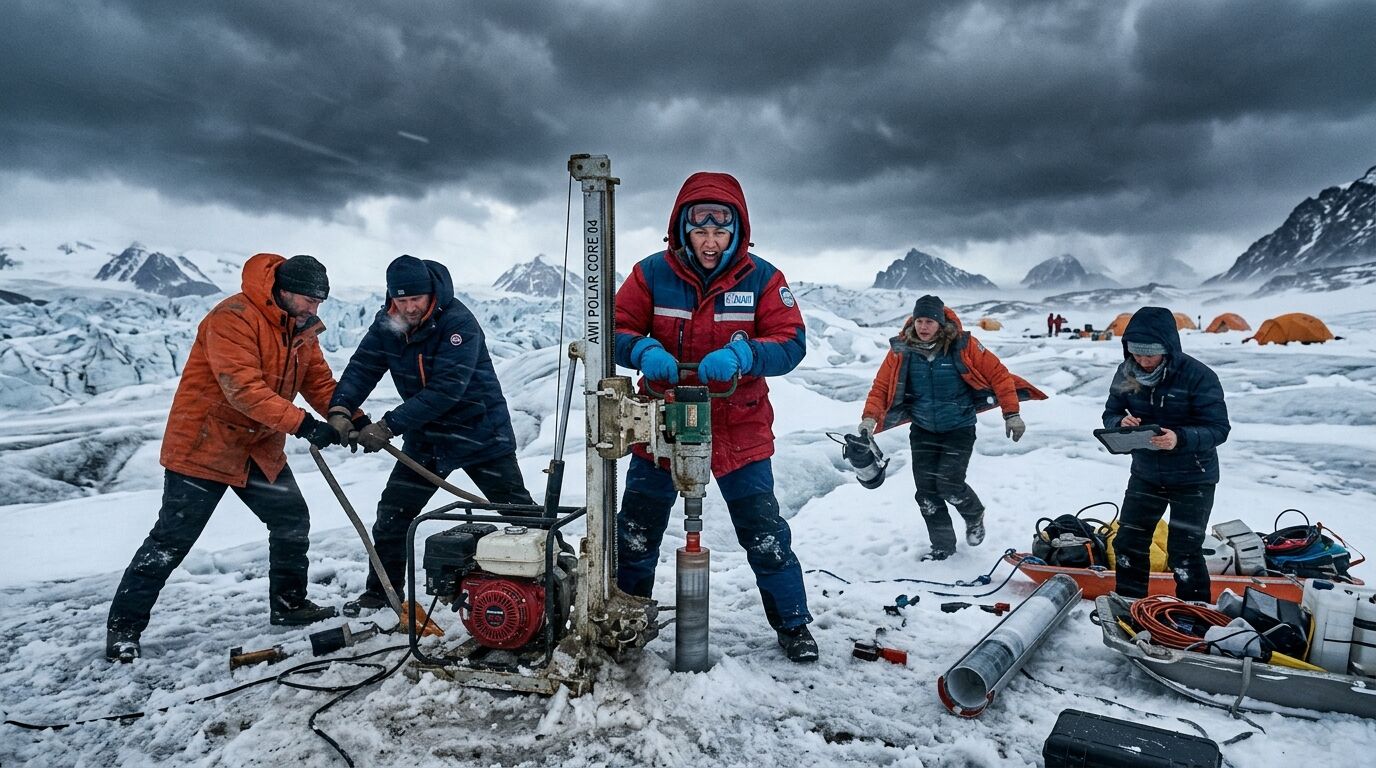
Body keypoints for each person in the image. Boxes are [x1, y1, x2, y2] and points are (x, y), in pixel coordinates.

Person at [613, 172, 818, 663]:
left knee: (765, 535)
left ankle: (793, 624)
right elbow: (611, 329)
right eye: (699, 230)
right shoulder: (650, 275)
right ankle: (625, 622)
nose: (710, 241)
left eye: (720, 230)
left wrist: (745, 355)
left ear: (737, 230)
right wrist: (641, 349)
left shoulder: (764, 279)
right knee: (636, 533)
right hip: (661, 425)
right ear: (683, 229)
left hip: (738, 429)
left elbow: (791, 343)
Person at [105, 254, 343, 662]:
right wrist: (304, 425)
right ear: (283, 292)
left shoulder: (300, 327)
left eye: (319, 302)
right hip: (205, 446)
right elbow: (244, 390)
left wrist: (347, 418)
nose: (313, 309)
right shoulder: (233, 317)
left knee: (290, 520)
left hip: (258, 448)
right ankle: (123, 630)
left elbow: (319, 382)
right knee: (171, 540)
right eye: (308, 300)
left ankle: (289, 606)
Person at [329, 255, 537, 617]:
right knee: (392, 513)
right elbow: (363, 367)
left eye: (416, 299)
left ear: (431, 294)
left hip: (479, 433)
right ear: (391, 298)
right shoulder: (388, 324)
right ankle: (381, 595)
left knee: (519, 512)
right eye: (402, 300)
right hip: (427, 439)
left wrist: (388, 425)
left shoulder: (457, 324)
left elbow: (446, 391)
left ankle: (562, 574)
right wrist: (341, 408)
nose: (409, 307)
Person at [860, 296, 1046, 561]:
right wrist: (869, 419)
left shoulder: (964, 344)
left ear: (940, 322)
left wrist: (1012, 414)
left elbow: (999, 375)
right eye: (920, 321)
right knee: (925, 492)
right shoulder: (901, 350)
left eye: (930, 321)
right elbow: (880, 387)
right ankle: (943, 546)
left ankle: (974, 514)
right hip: (923, 427)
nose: (924, 326)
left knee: (948, 484)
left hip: (959, 427)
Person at [1102, 306, 1230, 601]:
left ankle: (1193, 613)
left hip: (1193, 478)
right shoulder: (1127, 373)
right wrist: (1120, 423)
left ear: (1168, 349)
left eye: (1150, 354)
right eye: (1137, 353)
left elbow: (1218, 428)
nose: (1143, 361)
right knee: (1128, 542)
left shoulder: (1198, 376)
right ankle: (1130, 605)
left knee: (1183, 552)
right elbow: (1111, 411)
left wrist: (1179, 438)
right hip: (1146, 474)